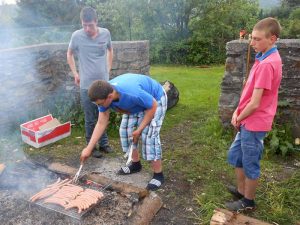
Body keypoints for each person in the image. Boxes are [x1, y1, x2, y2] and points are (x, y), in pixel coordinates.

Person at [225, 17, 282, 212]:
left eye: (257, 39)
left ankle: (248, 202)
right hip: (247, 118)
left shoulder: (267, 64)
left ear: (272, 39)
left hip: (254, 122)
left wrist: (238, 117)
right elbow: (250, 93)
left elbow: (256, 103)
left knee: (250, 162)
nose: (252, 43)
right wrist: (237, 111)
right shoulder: (264, 57)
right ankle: (242, 191)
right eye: (251, 38)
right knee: (236, 155)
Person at [80, 73, 168, 191]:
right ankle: (135, 164)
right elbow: (101, 122)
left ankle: (158, 174)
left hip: (155, 100)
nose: (98, 106)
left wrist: (140, 129)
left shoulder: (132, 93)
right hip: (136, 104)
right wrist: (89, 148)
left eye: (100, 104)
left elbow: (153, 105)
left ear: (110, 97)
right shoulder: (103, 94)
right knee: (126, 131)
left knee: (149, 137)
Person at [67, 6, 113, 157]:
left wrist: (108, 69)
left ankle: (104, 144)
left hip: (103, 85)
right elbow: (69, 54)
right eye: (84, 25)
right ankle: (91, 147)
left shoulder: (106, 33)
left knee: (103, 115)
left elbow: (110, 50)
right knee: (90, 118)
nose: (87, 28)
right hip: (86, 85)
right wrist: (75, 73)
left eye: (90, 25)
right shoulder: (77, 36)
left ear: (96, 22)